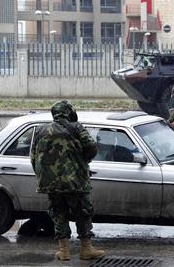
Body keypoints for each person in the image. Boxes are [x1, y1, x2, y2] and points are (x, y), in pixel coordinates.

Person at [31, 100, 105, 261]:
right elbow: (91, 147)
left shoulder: (40, 130)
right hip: (76, 181)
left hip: (51, 183)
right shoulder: (75, 127)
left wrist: (44, 177)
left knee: (59, 214)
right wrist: (82, 161)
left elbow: (33, 157)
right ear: (68, 112)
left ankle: (63, 251)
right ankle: (86, 249)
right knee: (83, 212)